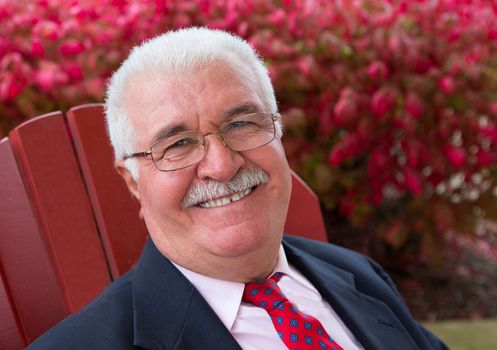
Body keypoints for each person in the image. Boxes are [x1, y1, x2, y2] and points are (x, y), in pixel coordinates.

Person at [28, 27, 448, 350]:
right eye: (177, 144)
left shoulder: (358, 275)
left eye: (242, 124)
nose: (222, 165)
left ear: (278, 131)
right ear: (132, 182)